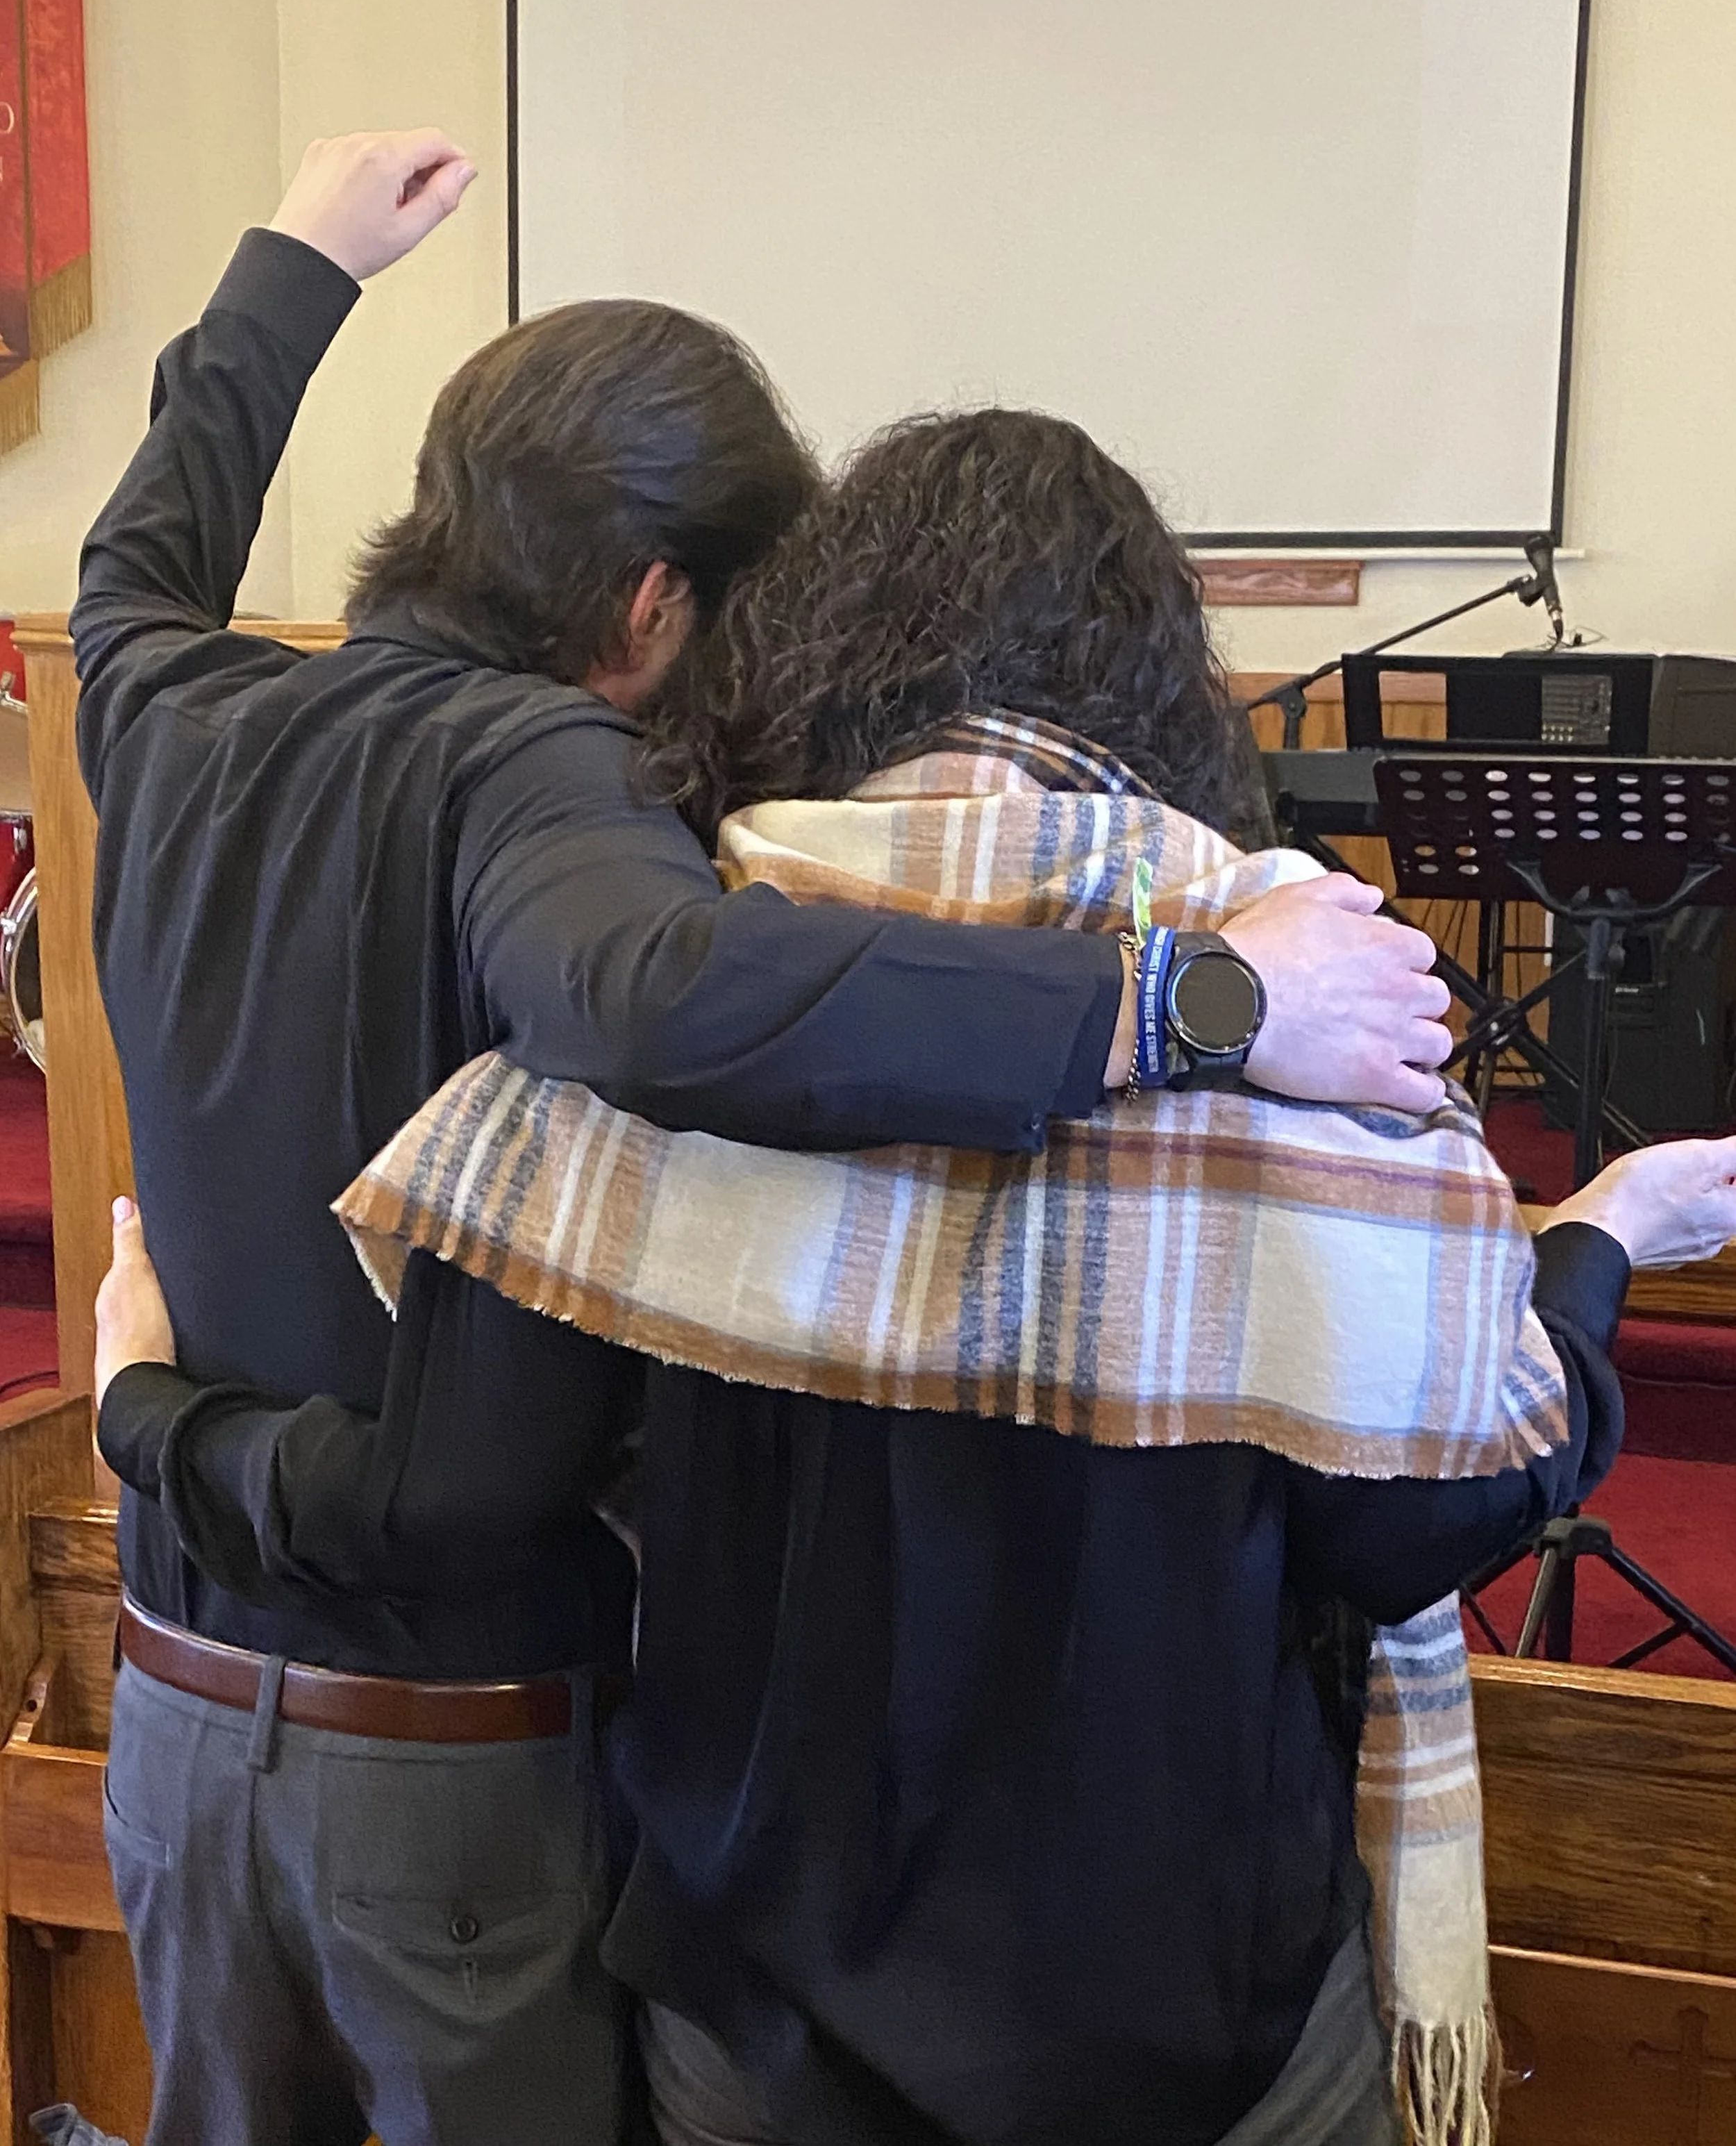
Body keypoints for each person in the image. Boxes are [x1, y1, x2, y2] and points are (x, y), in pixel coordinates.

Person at [94, 408, 1736, 2145]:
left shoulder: (715, 945)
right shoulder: (1290, 973)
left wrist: (153, 1411)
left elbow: (505, 1461)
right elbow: (1419, 1514)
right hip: (1181, 1991)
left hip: (758, 1983)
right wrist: (1590, 1250)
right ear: (1147, 661)